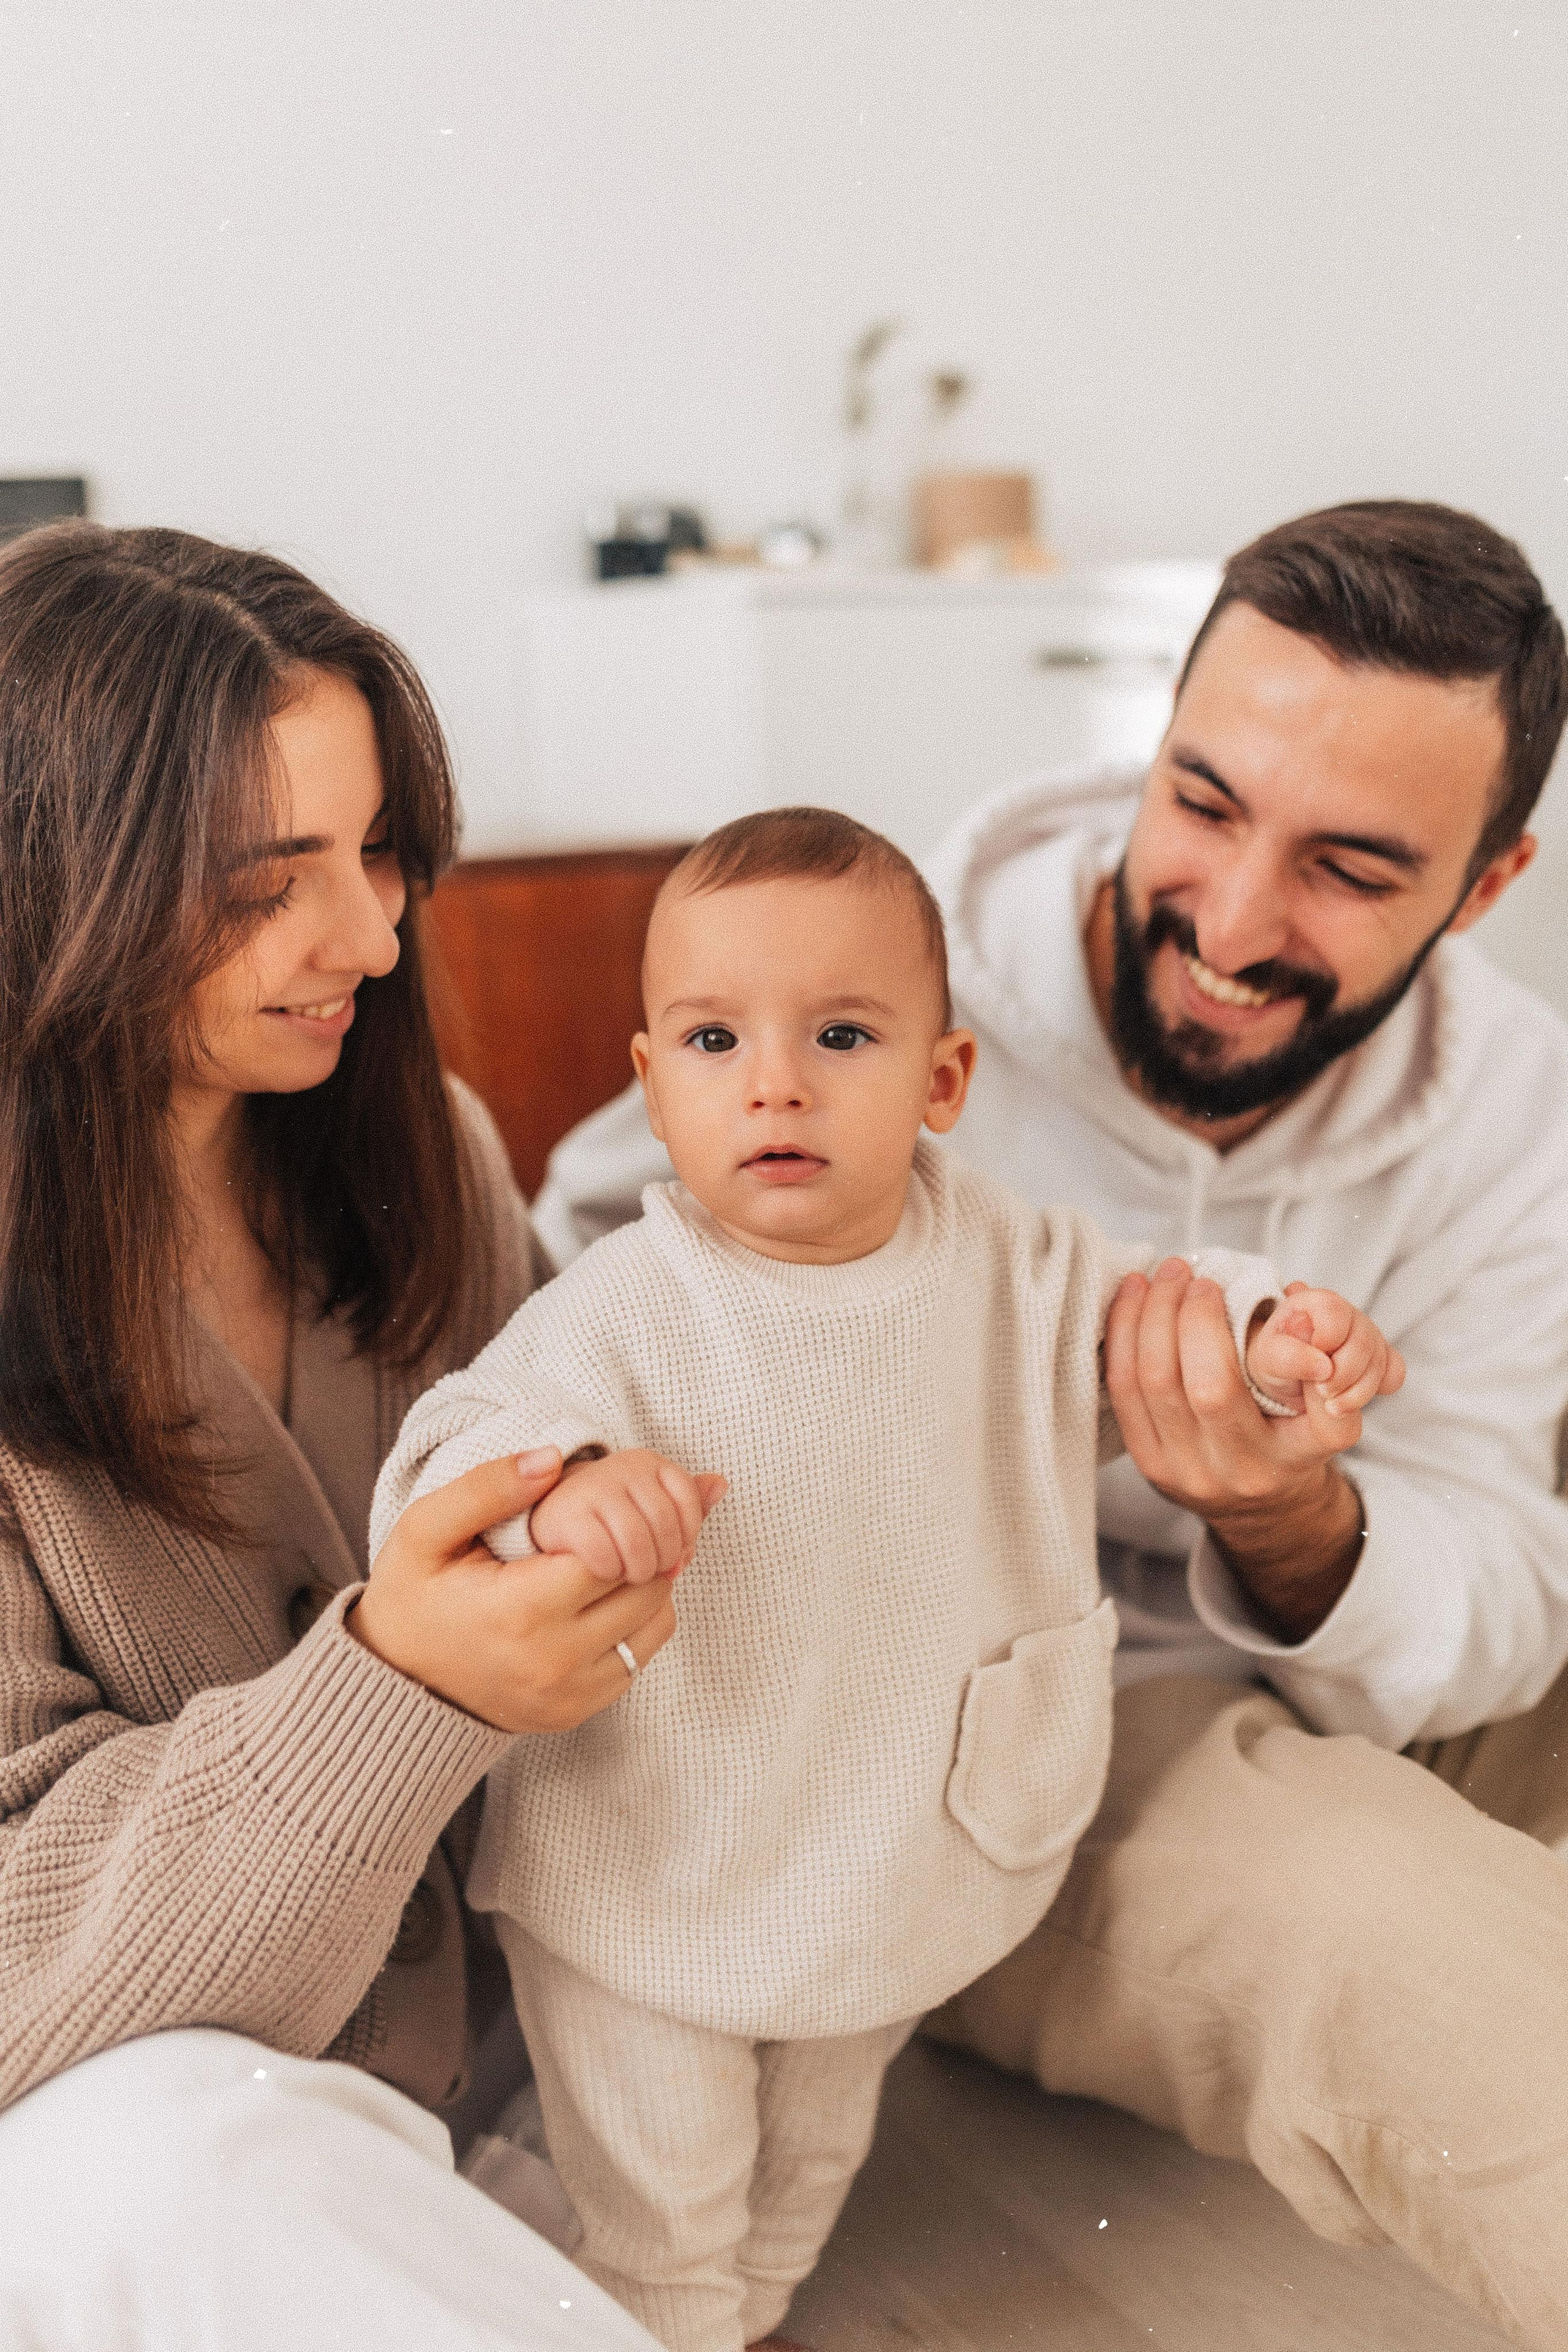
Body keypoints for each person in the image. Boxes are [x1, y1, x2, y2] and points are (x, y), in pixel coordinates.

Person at [533, 500, 1568, 2348]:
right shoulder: (868, 995)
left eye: (1349, 867)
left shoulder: (1511, 1104)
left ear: (1484, 891)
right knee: (1426, 1963)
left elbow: (1494, 1557)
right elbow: (591, 1290)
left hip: (1350, 1650)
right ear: (1143, 750)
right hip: (982, 1717)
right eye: (1205, 802)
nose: (1235, 923)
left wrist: (1291, 1523)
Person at [372, 806, 1400, 2352]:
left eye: (838, 1034)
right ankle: (671, 2317)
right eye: (714, 1040)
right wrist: (564, 1492)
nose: (774, 1081)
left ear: (941, 1081)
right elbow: (449, 1449)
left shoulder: (1017, 1265)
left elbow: (1163, 1315)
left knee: (811, 2158)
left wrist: (1267, 1340)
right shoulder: (628, 1306)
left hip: (890, 1840)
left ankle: (750, 2301)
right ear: (652, 1089)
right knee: (665, 2191)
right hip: (652, 1861)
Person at [0, 522, 679, 2351]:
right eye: (266, 877)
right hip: (123, 2129)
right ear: (51, 876)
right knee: (159, 2168)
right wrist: (397, 1683)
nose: (371, 934)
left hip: (470, 2061)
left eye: (379, 851)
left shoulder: (429, 1151)